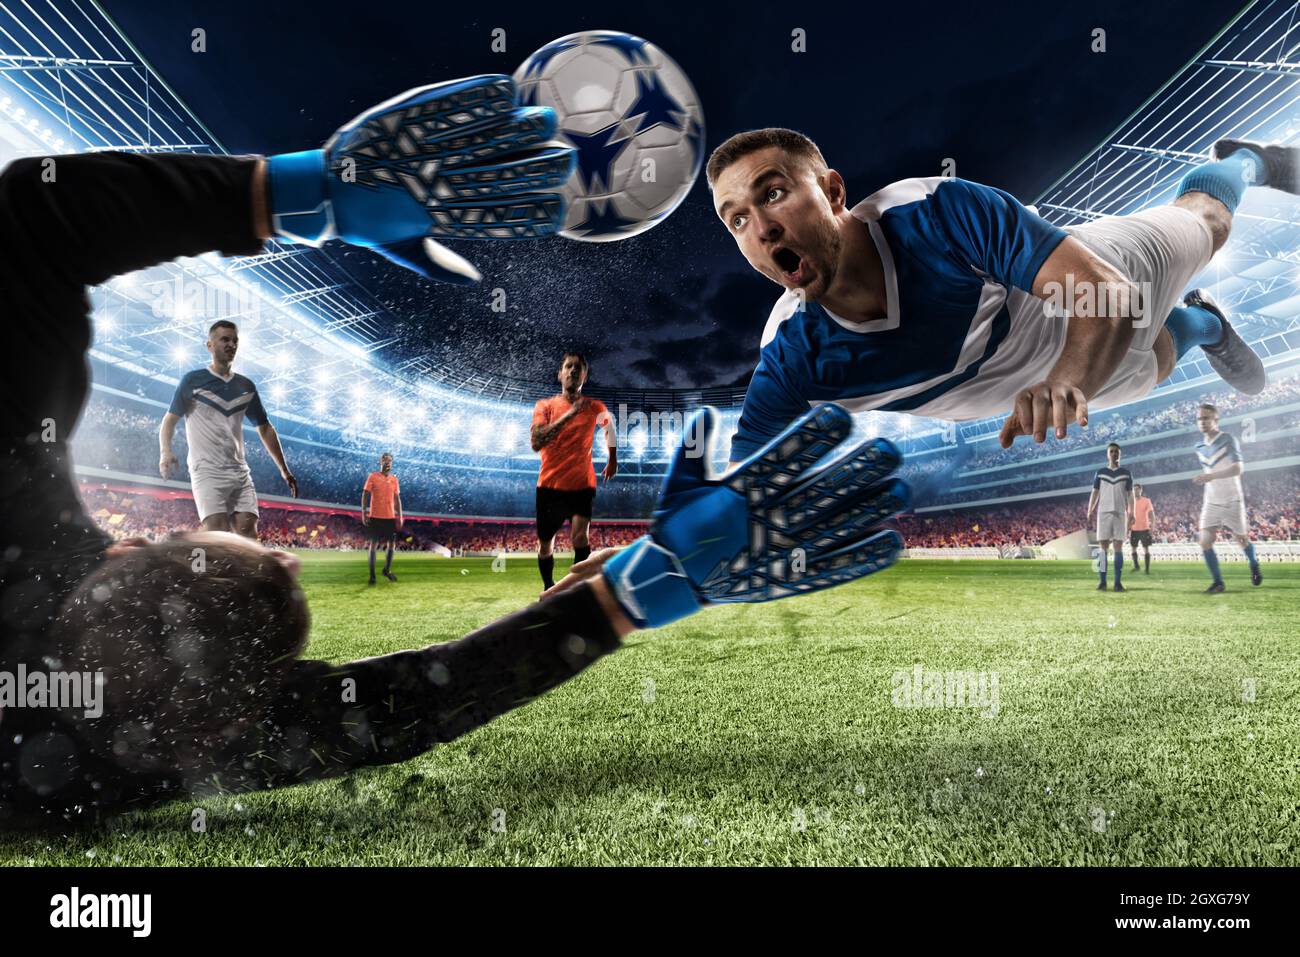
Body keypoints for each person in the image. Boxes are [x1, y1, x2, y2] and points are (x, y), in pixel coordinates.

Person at [0, 75, 910, 826]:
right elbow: (415, 705)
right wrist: (289, 195)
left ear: (132, 546)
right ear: (229, 714)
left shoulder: (136, 731)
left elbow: (414, 705)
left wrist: (286, 195)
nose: (282, 548)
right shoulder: (158, 731)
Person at [706, 129, 1283, 463]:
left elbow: (1104, 296)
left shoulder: (936, 215)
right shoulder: (791, 359)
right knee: (1154, 363)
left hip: (1086, 289)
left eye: (774, 193)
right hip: (1034, 392)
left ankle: (1245, 162)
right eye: (736, 221)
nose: (761, 227)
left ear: (833, 192)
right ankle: (1206, 325)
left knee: (1206, 226)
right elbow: (744, 480)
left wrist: (1068, 379)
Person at [159, 320, 298, 538]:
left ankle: (250, 573)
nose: (231, 344)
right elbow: (169, 420)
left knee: (249, 537)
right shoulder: (193, 380)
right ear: (210, 345)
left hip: (239, 471)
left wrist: (284, 469)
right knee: (217, 534)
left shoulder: (246, 386)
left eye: (235, 340)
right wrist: (166, 452)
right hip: (206, 470)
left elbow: (265, 427)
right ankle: (205, 571)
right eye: (225, 339)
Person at [530, 352, 616, 592]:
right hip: (550, 486)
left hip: (582, 485)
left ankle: (577, 591)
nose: (573, 371)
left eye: (578, 367)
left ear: (585, 376)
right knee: (546, 545)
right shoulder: (545, 406)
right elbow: (537, 441)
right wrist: (570, 414)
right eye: (568, 366)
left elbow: (610, 428)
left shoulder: (595, 406)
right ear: (560, 373)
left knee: (580, 538)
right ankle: (549, 586)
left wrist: (613, 459)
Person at [1193, 403, 1261, 593]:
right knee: (1205, 541)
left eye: (1207, 418)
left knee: (1242, 539)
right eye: (1200, 419)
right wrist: (1206, 478)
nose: (1203, 422)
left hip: (1232, 499)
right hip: (1211, 501)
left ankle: (1254, 563)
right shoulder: (1198, 446)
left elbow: (1239, 468)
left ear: (1216, 420)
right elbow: (1209, 469)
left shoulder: (1228, 439)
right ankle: (1218, 582)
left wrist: (1211, 476)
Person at [1086, 443, 1133, 592]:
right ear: (1108, 454)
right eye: (1111, 451)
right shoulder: (1100, 472)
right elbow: (1095, 492)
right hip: (1103, 512)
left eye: (1116, 452)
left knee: (1118, 547)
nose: (1114, 454)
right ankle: (1102, 582)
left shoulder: (1126, 473)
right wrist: (1090, 509)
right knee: (1103, 548)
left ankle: (1118, 583)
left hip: (1120, 512)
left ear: (1120, 454)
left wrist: (1132, 512)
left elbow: (1130, 494)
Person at [362, 452, 402, 585]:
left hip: (390, 517)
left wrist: (400, 516)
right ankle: (372, 576)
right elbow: (365, 494)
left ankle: (386, 569)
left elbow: (397, 499)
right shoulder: (373, 477)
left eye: (390, 460)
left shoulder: (394, 480)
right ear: (381, 461)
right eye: (385, 460)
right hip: (375, 516)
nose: (388, 462)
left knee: (392, 544)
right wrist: (363, 512)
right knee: (373, 545)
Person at [1130, 483, 1156, 574]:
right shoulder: (1131, 501)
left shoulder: (1146, 501)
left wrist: (1153, 525)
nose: (1135, 491)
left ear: (1141, 490)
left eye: (1137, 489)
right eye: (1134, 489)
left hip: (1145, 529)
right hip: (1134, 529)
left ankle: (1147, 569)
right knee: (1133, 548)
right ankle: (1136, 566)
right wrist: (1127, 527)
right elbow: (1129, 515)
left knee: (1146, 549)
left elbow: (1151, 514)